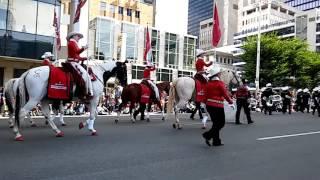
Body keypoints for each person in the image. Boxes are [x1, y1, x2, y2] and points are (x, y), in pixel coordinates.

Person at [202, 66, 234, 147]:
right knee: (221, 123)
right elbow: (225, 94)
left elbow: (205, 96)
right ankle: (208, 135)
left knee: (215, 124)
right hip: (218, 106)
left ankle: (216, 141)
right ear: (218, 74)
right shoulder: (220, 83)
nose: (220, 74)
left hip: (209, 105)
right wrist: (231, 102)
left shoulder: (208, 84)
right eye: (220, 73)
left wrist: (206, 103)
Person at [66, 31, 93, 98]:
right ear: (73, 36)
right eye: (78, 36)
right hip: (73, 63)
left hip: (74, 62)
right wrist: (84, 48)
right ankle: (89, 92)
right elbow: (77, 52)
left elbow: (77, 56)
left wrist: (86, 58)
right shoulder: (72, 43)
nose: (79, 38)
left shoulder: (73, 43)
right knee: (86, 75)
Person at [190, 49, 213, 121]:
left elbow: (200, 68)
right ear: (200, 55)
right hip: (201, 74)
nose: (203, 55)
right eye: (203, 54)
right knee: (208, 83)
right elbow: (207, 65)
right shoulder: (201, 60)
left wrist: (204, 70)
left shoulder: (197, 61)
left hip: (197, 74)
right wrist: (211, 62)